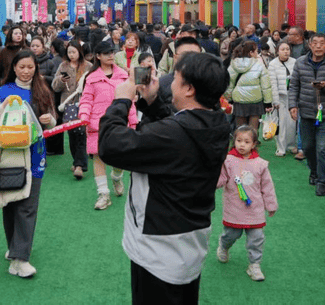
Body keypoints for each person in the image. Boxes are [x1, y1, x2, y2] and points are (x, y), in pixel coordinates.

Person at [98, 52, 232, 304]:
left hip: (157, 247)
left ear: (189, 89)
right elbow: (178, 129)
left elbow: (109, 145)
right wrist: (152, 101)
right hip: (188, 240)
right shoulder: (218, 123)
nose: (170, 84)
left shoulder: (172, 135)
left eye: (176, 78)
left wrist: (121, 101)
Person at [0, 50, 55, 278]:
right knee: (10, 204)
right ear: (14, 67)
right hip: (9, 158)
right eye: (22, 67)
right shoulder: (3, 92)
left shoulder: (42, 90)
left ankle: (20, 258)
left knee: (28, 206)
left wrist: (49, 120)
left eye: (30, 67)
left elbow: (53, 122)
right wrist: (2, 108)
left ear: (36, 68)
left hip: (35, 157)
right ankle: (15, 249)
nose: (26, 71)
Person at [78, 41, 138, 210]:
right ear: (98, 56)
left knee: (119, 157)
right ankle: (103, 193)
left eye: (112, 52)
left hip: (119, 122)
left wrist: (133, 121)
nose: (111, 55)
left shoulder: (124, 75)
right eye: (106, 53)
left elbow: (131, 101)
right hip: (96, 123)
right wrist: (84, 116)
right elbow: (86, 100)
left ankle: (117, 177)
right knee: (98, 157)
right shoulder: (91, 78)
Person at [215, 125, 278, 281]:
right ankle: (224, 246)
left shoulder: (261, 164)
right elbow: (221, 178)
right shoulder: (228, 161)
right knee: (231, 234)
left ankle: (254, 264)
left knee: (257, 238)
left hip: (255, 210)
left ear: (254, 144)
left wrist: (271, 205)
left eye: (247, 142)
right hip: (234, 208)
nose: (242, 145)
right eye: (239, 141)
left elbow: (267, 186)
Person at [288, 32, 325, 196]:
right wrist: (292, 105)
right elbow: (294, 85)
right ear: (309, 45)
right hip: (306, 111)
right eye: (315, 43)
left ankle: (322, 181)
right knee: (308, 147)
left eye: (321, 43)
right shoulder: (300, 62)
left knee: (323, 149)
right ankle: (314, 171)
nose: (318, 46)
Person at [52, 41, 92, 179]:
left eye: (74, 52)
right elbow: (55, 87)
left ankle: (80, 165)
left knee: (81, 133)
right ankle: (77, 161)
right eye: (69, 52)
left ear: (79, 52)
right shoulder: (63, 66)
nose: (71, 55)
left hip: (84, 103)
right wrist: (61, 80)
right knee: (72, 134)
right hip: (68, 104)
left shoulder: (88, 66)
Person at [224, 41, 273, 132]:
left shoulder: (233, 65)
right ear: (251, 53)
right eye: (256, 51)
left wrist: (229, 99)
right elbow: (265, 86)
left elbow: (229, 84)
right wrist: (268, 102)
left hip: (239, 101)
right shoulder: (259, 65)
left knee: (240, 130)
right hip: (255, 101)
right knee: (253, 131)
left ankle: (239, 141)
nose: (257, 53)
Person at [268, 42, 296, 157]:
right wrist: (275, 101)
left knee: (292, 123)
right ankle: (281, 148)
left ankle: (291, 145)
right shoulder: (272, 64)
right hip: (280, 98)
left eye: (287, 49)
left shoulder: (295, 62)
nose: (286, 51)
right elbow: (273, 84)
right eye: (283, 49)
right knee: (281, 123)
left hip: (292, 96)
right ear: (277, 51)